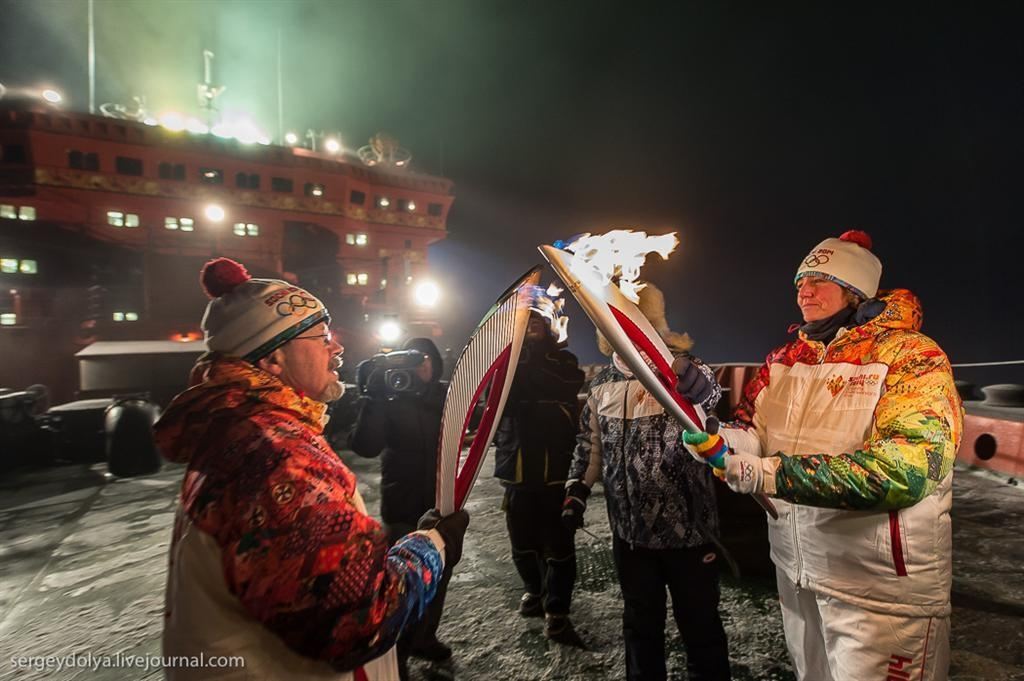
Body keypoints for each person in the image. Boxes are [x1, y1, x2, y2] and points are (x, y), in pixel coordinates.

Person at [155, 258, 468, 681]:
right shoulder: (275, 456)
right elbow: (359, 621)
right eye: (321, 336)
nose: (336, 347)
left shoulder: (241, 430)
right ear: (272, 359)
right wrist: (432, 546)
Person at [697, 230, 962, 681]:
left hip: (878, 591)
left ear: (855, 292)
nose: (804, 289)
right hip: (798, 573)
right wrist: (716, 436)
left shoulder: (911, 356)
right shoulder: (784, 359)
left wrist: (767, 475)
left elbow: (906, 471)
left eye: (820, 279)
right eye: (801, 279)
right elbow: (752, 435)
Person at [564, 283, 732, 681]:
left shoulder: (680, 370)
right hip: (631, 535)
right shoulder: (602, 384)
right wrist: (576, 490)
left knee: (701, 629)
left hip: (689, 535)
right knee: (640, 629)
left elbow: (707, 393)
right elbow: (591, 444)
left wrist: (698, 384)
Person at [349, 338, 453, 668]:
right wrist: (373, 397)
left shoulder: (447, 396)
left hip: (441, 502)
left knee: (439, 574)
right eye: (415, 359)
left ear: (436, 364)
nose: (422, 365)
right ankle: (398, 655)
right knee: (400, 586)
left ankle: (424, 638)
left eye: (427, 359)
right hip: (403, 504)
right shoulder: (390, 398)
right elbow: (365, 445)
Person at [493, 311, 585, 643]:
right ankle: (534, 590)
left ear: (548, 328)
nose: (531, 329)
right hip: (517, 469)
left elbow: (561, 385)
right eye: (525, 325)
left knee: (559, 546)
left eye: (536, 324)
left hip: (554, 472)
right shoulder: (506, 364)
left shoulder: (563, 361)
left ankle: (557, 610)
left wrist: (525, 361)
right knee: (522, 544)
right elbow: (495, 403)